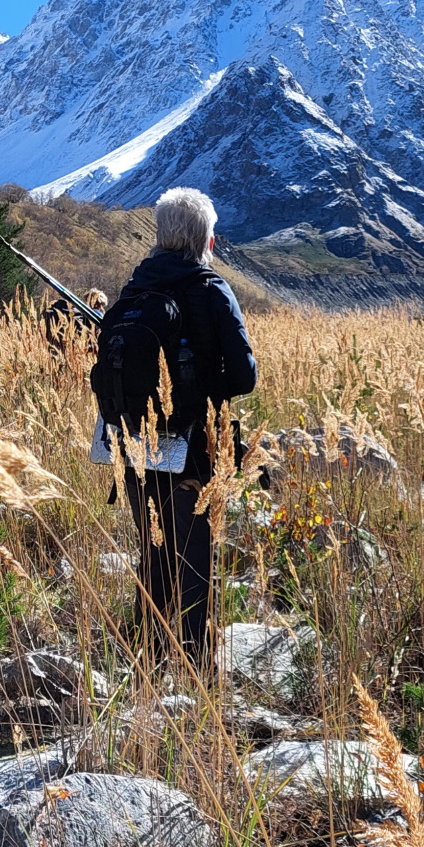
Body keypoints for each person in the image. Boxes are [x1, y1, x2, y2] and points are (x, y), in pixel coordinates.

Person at [92, 187, 256, 666]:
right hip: (195, 445)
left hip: (134, 446)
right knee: (195, 558)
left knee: (155, 551)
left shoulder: (133, 293)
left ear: (160, 236)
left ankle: (146, 655)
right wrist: (205, 390)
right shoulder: (210, 290)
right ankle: (195, 666)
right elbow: (245, 376)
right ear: (206, 240)